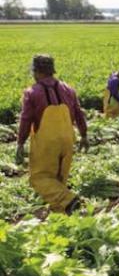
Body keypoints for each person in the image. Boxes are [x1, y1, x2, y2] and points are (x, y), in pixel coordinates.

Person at [16, 54, 89, 214]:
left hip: (47, 142)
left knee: (40, 178)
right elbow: (78, 113)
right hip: (68, 139)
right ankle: (62, 216)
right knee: (59, 180)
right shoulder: (68, 89)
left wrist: (20, 143)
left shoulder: (32, 92)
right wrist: (84, 135)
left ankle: (70, 200)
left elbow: (26, 119)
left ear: (37, 72)